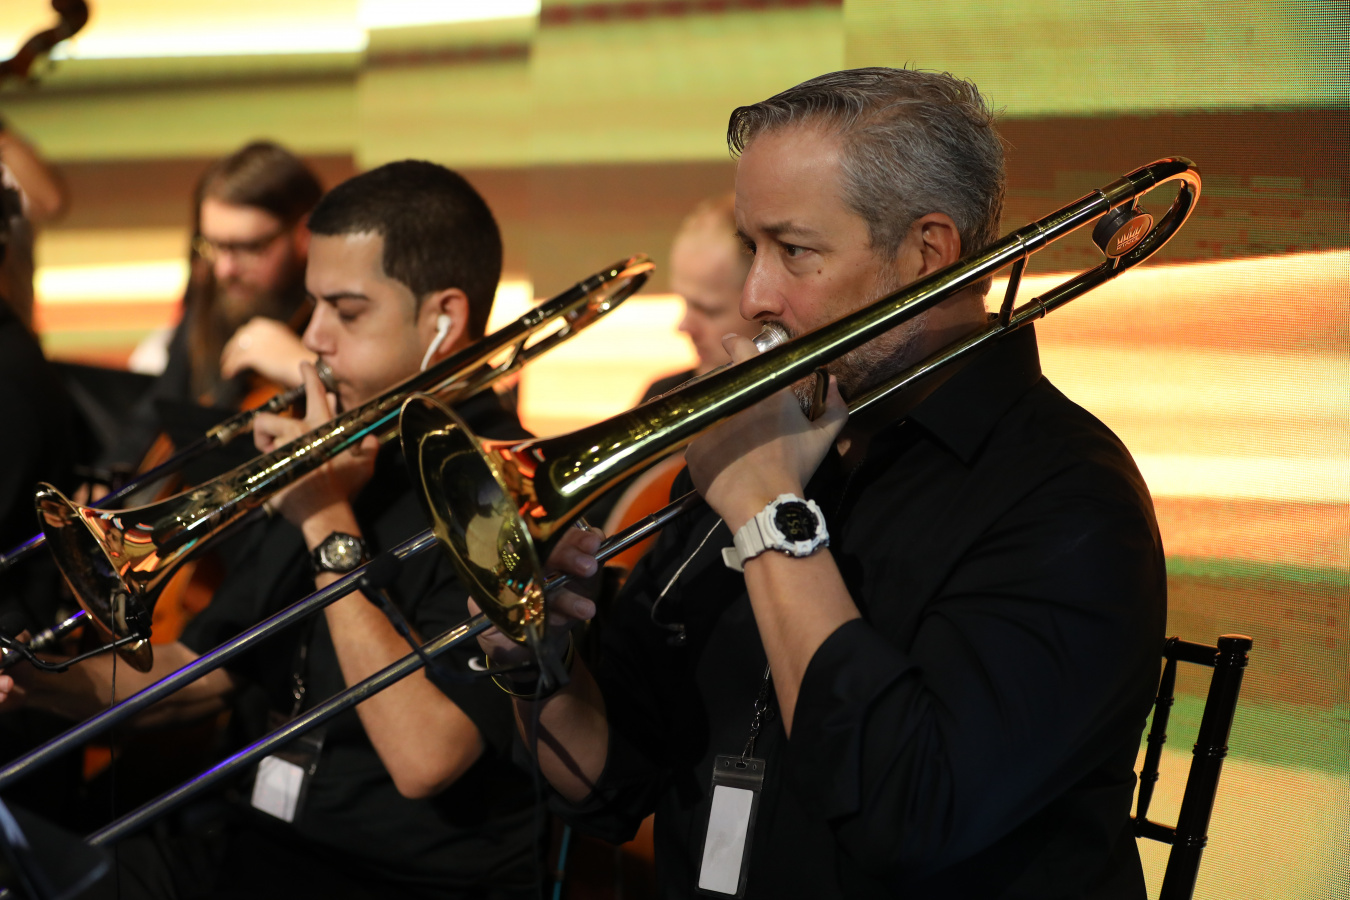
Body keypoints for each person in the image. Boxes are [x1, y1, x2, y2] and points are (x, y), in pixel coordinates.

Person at [479, 68, 1166, 899]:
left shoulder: (1070, 496)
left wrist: (770, 515)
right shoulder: (772, 445)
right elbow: (612, 782)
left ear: (928, 254)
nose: (753, 298)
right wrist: (541, 663)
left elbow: (907, 814)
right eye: (752, 249)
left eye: (794, 251)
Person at [2, 160, 540, 899]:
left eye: (347, 312)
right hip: (253, 844)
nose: (312, 336)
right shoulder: (346, 446)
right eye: (313, 305)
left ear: (443, 319)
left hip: (396, 879)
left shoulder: (501, 487)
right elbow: (202, 671)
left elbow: (426, 758)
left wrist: (324, 519)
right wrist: (34, 682)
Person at [106, 141, 321, 474]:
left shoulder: (335, 309)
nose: (224, 270)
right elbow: (160, 404)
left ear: (303, 234)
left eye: (248, 247)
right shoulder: (211, 296)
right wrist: (110, 476)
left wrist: (306, 367)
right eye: (214, 245)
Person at [642, 193, 760, 401]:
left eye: (708, 310)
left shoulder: (808, 411)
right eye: (685, 302)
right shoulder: (661, 396)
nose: (684, 327)